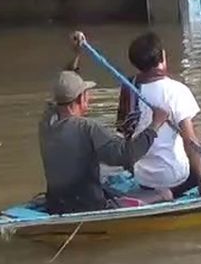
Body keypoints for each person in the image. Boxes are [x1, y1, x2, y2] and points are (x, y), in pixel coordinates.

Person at [124, 32, 201, 198]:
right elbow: (190, 142)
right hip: (174, 178)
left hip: (143, 177)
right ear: (162, 58)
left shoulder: (130, 89)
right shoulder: (176, 90)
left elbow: (125, 133)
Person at [39, 69, 168, 214]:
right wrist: (155, 125)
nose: (90, 97)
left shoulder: (46, 123)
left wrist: (76, 56)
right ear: (81, 99)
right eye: (87, 94)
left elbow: (62, 92)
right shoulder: (86, 128)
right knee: (165, 194)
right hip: (89, 205)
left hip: (56, 204)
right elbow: (126, 156)